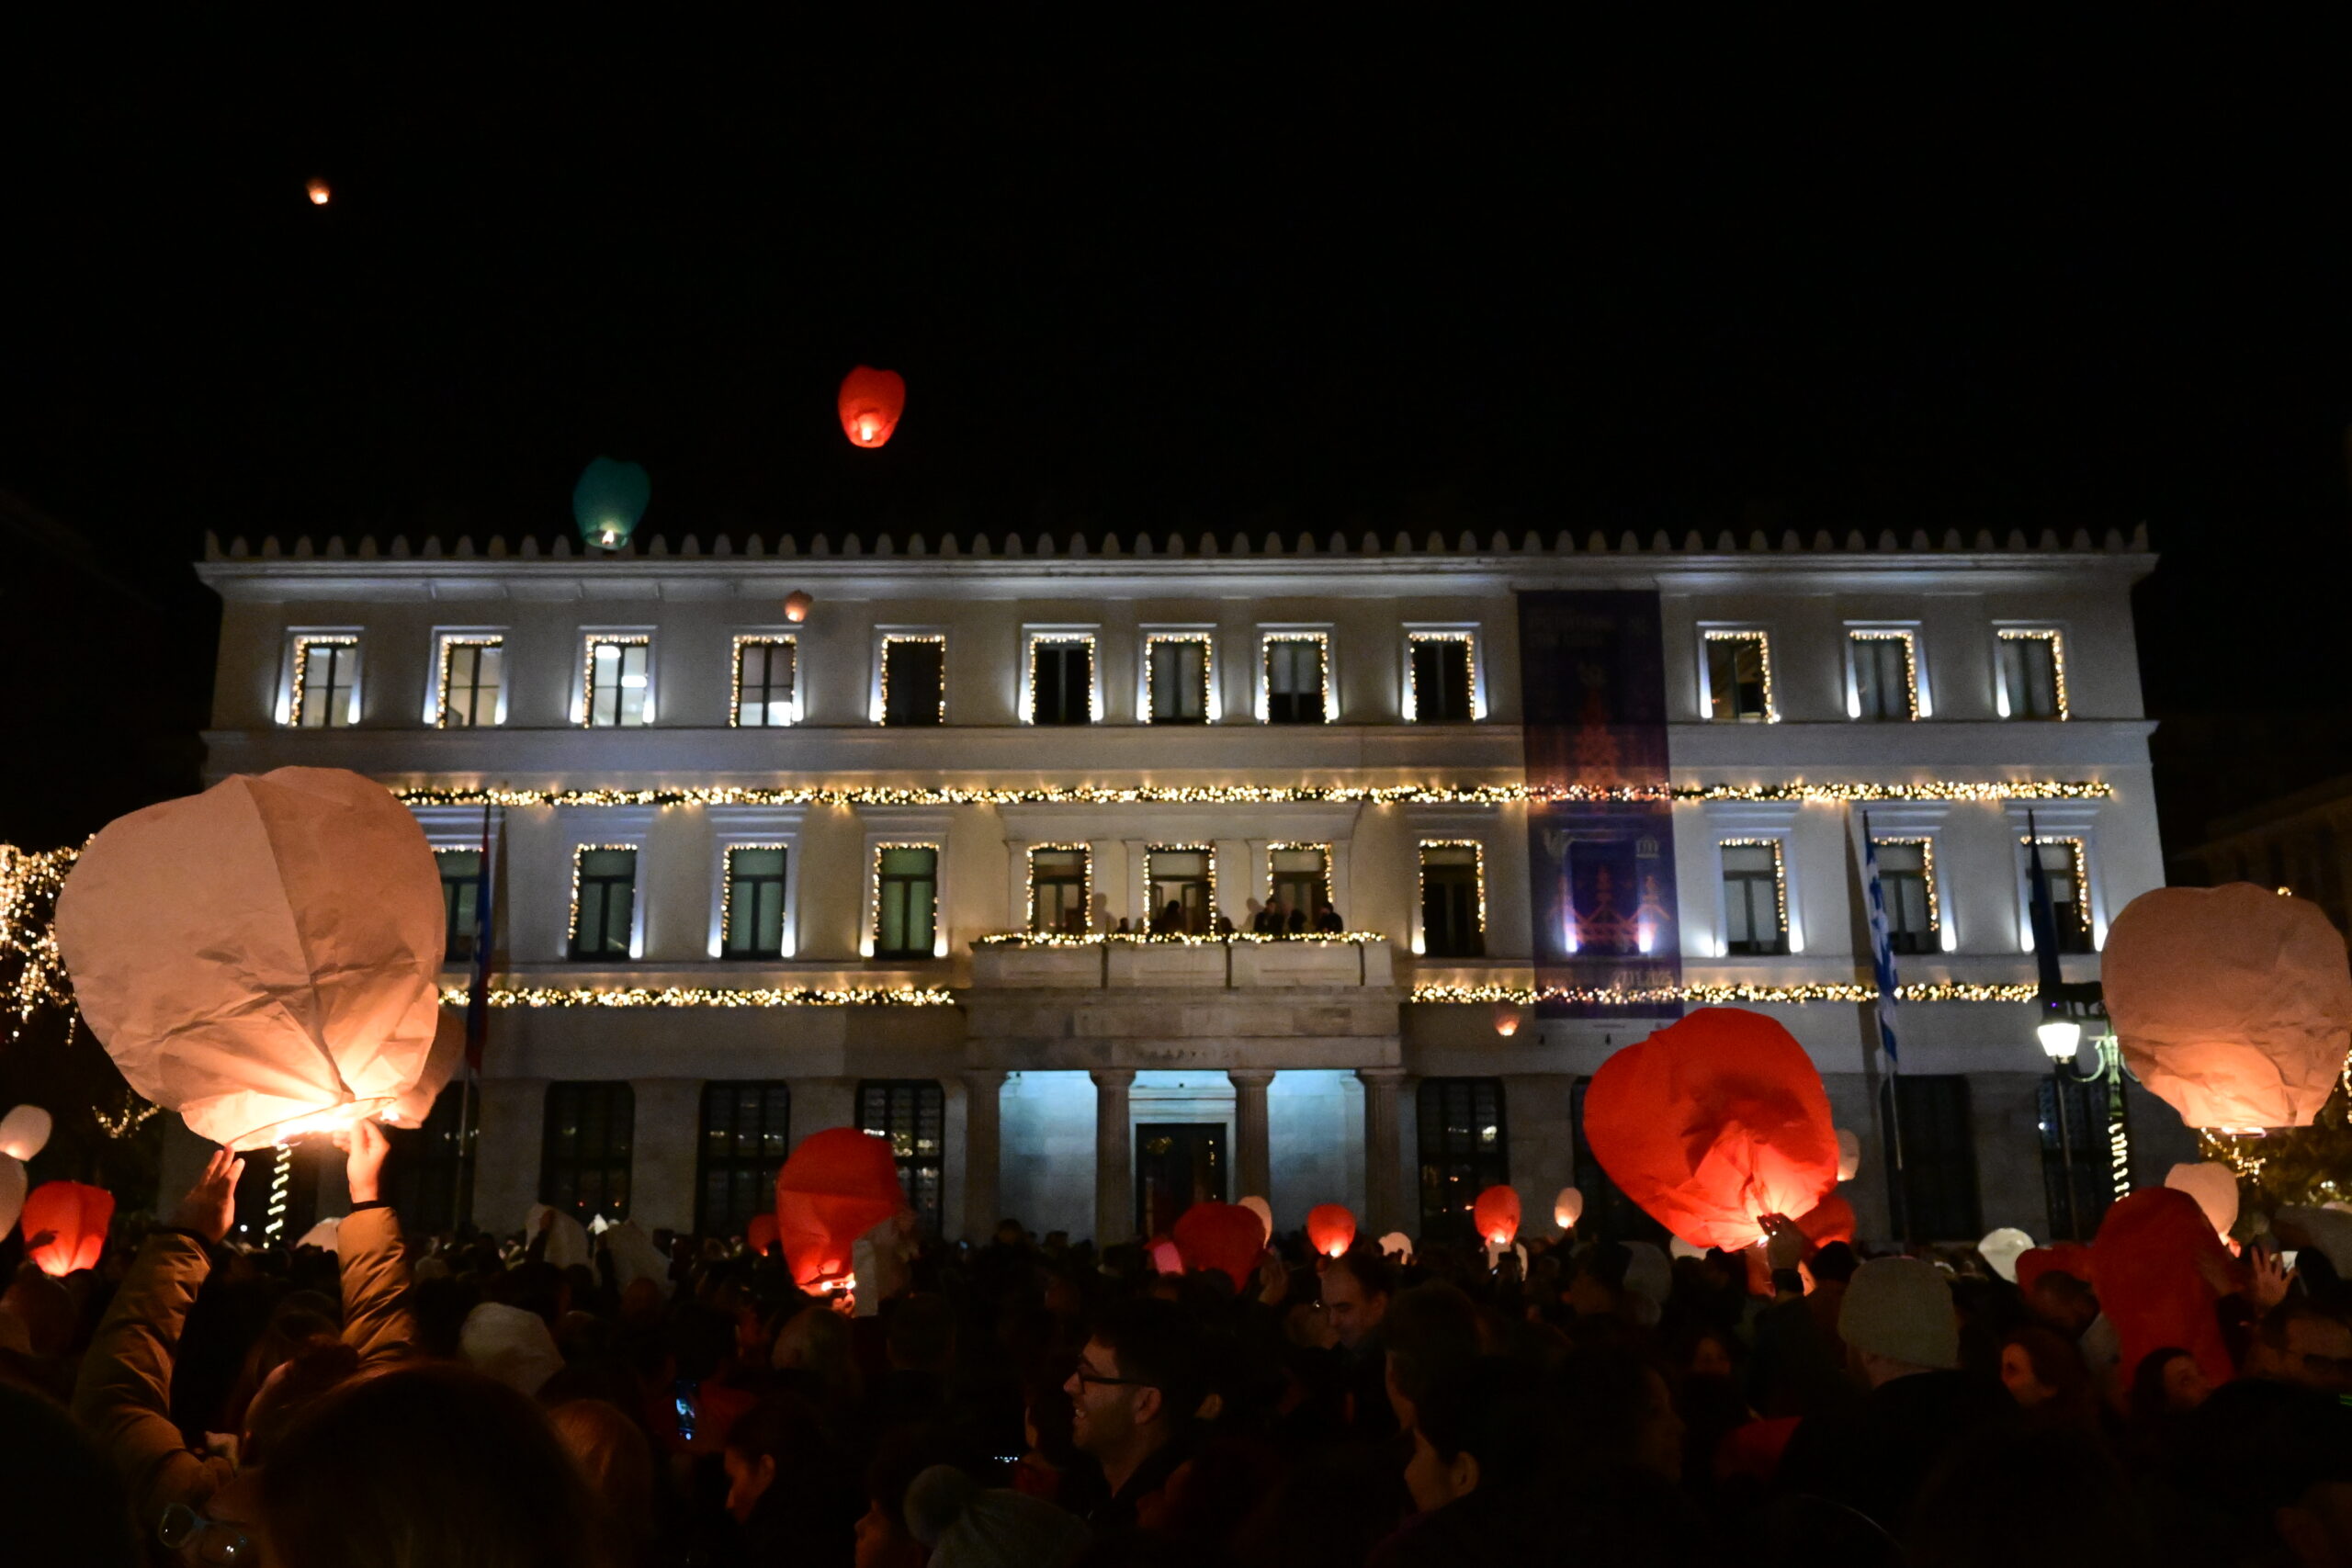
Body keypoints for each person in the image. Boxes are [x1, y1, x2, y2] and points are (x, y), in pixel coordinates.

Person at [73, 1122, 413, 1543]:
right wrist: (368, 1199)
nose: (306, 1355)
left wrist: (186, 1237)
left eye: (288, 1375)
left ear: (247, 1437)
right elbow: (387, 1346)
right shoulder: (377, 1520)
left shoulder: (195, 1510)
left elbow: (116, 1391)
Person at [1062, 1298, 1204, 1533]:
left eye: (1088, 1375)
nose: (1069, 1386)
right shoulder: (1088, 1487)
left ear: (1146, 1404)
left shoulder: (1157, 1532)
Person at [2245, 1298, 2352, 1394]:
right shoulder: (2250, 1409)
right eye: (2317, 1362)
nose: (2335, 1377)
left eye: (2346, 1365)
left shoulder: (2344, 1400)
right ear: (2272, 1358)